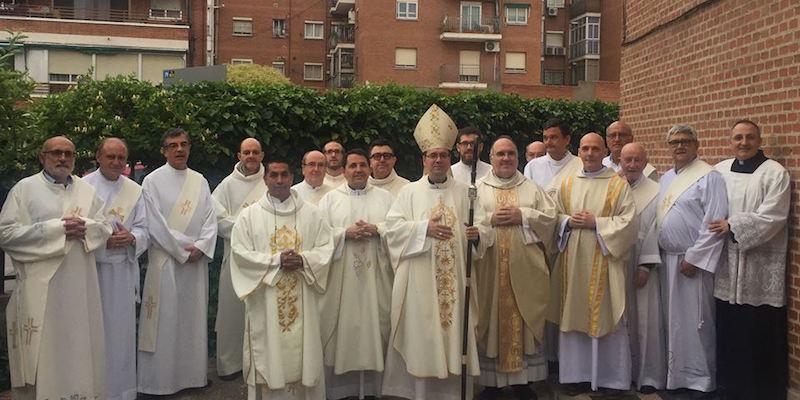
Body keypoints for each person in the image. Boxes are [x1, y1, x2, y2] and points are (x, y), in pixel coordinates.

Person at [381, 104, 493, 400]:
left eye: (444, 155)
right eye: (433, 155)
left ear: (450, 157)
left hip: (456, 280)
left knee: (456, 333)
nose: (439, 160)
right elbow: (390, 230)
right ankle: (421, 393)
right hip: (420, 282)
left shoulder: (467, 193)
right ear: (424, 160)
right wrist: (422, 230)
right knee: (423, 334)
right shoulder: (408, 193)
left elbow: (484, 225)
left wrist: (477, 233)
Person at [1, 136, 112, 400]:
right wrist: (57, 229)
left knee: (79, 348)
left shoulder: (86, 192)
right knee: (46, 352)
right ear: (42, 157)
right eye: (56, 153)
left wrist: (87, 228)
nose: (62, 158)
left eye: (68, 154)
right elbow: (5, 233)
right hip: (42, 289)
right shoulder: (24, 189)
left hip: (80, 287)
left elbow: (105, 226)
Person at [230, 154, 334, 400]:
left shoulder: (312, 214)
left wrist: (303, 260)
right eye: (273, 175)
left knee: (304, 355)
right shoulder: (249, 216)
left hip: (304, 298)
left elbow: (325, 248)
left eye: (284, 175)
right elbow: (239, 252)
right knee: (269, 354)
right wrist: (275, 261)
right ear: (265, 178)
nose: (279, 180)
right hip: (264, 301)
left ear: (292, 177)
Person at [710, 120, 789, 400]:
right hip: (724, 264)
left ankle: (760, 390)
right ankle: (728, 386)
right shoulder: (718, 171)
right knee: (728, 327)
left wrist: (733, 225)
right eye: (738, 138)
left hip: (759, 264)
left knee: (757, 329)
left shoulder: (774, 173)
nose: (743, 143)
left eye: (750, 137)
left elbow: (774, 215)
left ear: (759, 139)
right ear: (730, 141)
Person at [551, 133, 637, 392]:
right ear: (579, 151)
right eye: (585, 148)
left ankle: (611, 379)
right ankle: (575, 377)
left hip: (605, 262)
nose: (589, 153)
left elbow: (629, 223)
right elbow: (551, 217)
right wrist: (567, 222)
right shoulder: (566, 184)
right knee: (574, 313)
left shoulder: (618, 185)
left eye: (595, 149)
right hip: (573, 262)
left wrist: (596, 223)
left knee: (607, 315)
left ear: (604, 152)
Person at [475, 136, 557, 400]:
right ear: (491, 158)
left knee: (523, 319)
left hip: (526, 272)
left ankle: (524, 382)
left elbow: (551, 220)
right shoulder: (478, 189)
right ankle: (491, 384)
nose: (506, 158)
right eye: (500, 154)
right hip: (489, 270)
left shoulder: (532, 188)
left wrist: (524, 215)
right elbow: (468, 222)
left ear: (518, 157)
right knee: (491, 319)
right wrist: (490, 219)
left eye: (510, 153)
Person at [137, 128, 218, 394]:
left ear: (190, 147)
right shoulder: (152, 181)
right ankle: (159, 382)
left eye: (184, 144)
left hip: (194, 265)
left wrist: (202, 247)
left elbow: (210, 220)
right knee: (164, 322)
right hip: (167, 263)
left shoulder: (200, 181)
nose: (179, 149)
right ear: (164, 150)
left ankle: (192, 377)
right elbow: (155, 225)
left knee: (192, 321)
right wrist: (185, 250)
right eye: (173, 145)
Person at [318, 149, 395, 399]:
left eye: (362, 165)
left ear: (369, 168)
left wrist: (378, 229)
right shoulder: (330, 200)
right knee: (343, 331)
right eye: (353, 166)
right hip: (342, 281)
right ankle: (343, 390)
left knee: (378, 326)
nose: (358, 170)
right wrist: (343, 234)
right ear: (344, 170)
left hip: (377, 279)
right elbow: (317, 237)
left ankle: (375, 388)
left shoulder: (385, 198)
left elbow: (397, 230)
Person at [657, 124, 727, 397]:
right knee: (672, 322)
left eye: (685, 141)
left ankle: (700, 380)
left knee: (696, 322)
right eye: (674, 142)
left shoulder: (710, 177)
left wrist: (696, 258)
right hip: (667, 261)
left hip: (692, 264)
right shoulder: (666, 179)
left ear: (697, 145)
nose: (679, 146)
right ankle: (676, 377)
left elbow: (714, 220)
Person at [84, 137, 148, 400]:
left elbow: (145, 228)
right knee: (92, 335)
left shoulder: (134, 189)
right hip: (92, 272)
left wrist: (132, 238)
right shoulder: (83, 187)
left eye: (121, 158)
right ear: (98, 157)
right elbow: (79, 226)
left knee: (121, 337)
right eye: (110, 157)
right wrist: (102, 241)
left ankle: (122, 392)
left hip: (122, 273)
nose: (116, 162)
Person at [211, 137, 266, 379]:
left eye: (255, 152)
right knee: (232, 313)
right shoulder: (226, 185)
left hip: (264, 259)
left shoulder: (271, 181)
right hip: (235, 258)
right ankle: (231, 363)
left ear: (262, 155)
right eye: (247, 152)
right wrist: (249, 230)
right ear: (239, 156)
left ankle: (261, 362)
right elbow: (218, 219)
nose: (251, 156)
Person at [617, 143, 666, 394]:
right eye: (628, 160)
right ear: (620, 161)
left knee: (645, 320)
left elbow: (657, 228)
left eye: (637, 160)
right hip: (616, 260)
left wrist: (645, 265)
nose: (633, 165)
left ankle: (648, 376)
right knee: (620, 320)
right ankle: (622, 373)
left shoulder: (657, 191)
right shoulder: (613, 187)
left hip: (643, 261)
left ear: (646, 162)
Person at [523, 119, 582, 195]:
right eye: (545, 138)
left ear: (567, 139)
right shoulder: (532, 166)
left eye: (553, 137)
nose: (548, 142)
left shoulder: (580, 165)